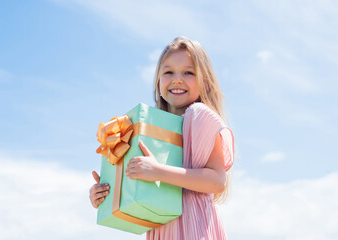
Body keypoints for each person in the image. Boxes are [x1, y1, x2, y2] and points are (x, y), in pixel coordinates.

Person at [89, 36, 234, 239]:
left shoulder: (198, 114)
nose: (177, 79)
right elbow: (143, 189)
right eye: (168, 72)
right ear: (158, 80)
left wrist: (158, 171)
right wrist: (107, 192)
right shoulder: (152, 127)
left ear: (206, 81)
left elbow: (217, 180)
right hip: (163, 227)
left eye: (188, 72)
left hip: (194, 226)